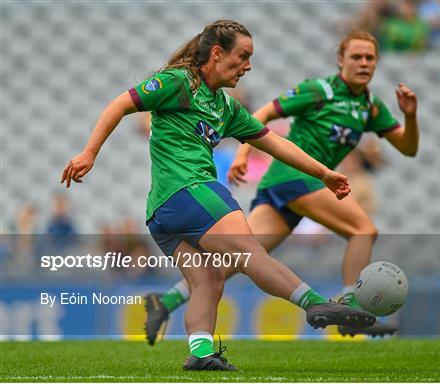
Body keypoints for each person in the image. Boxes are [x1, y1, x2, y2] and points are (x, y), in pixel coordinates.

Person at [60, 19, 375, 371]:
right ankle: (315, 303)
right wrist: (89, 152)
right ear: (215, 53)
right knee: (250, 250)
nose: (248, 66)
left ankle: (199, 352)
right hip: (190, 191)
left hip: (161, 214)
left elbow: (274, 143)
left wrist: (324, 173)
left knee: (208, 280)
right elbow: (120, 104)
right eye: (242, 56)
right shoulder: (177, 83)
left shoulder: (226, 107)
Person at [145, 30, 419, 343]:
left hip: (298, 185)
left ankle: (164, 302)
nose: (363, 63)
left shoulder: (371, 107)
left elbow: (408, 148)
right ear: (341, 60)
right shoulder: (319, 90)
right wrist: (244, 152)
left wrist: (410, 117)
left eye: (370, 57)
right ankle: (350, 308)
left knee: (240, 259)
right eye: (356, 56)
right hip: (294, 177)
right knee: (363, 230)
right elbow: (264, 116)